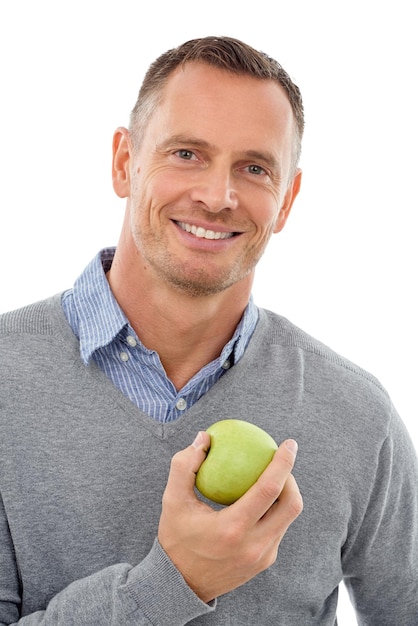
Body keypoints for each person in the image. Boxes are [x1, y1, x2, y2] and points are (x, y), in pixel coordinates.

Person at [0, 35, 417, 626]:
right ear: (125, 163)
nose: (217, 197)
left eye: (253, 168)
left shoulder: (358, 416)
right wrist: (175, 583)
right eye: (187, 154)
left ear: (288, 199)